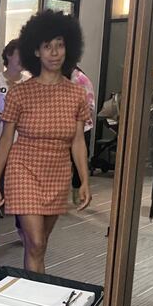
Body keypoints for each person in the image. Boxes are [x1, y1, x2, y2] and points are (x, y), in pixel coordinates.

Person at [0, 10, 92, 273]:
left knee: (41, 245)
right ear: (36, 52)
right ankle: (33, 298)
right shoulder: (20, 93)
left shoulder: (77, 95)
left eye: (59, 45)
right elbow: (6, 139)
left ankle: (34, 294)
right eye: (47, 47)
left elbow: (78, 141)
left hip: (57, 172)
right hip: (24, 168)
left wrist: (83, 181)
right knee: (34, 242)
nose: (55, 52)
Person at [0, 39, 30, 260]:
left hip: (23, 146)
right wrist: (0, 117)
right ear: (9, 55)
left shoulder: (30, 82)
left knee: (22, 191)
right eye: (19, 54)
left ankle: (23, 228)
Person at [70, 67, 95, 204]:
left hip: (81, 128)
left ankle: (78, 192)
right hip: (62, 129)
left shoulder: (80, 79)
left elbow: (89, 106)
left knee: (78, 160)